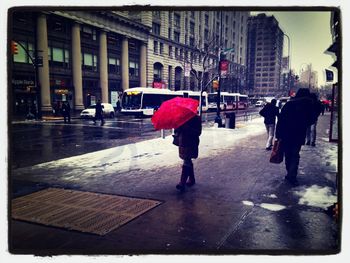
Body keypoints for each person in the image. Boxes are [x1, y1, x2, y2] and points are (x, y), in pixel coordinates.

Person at [275, 88, 314, 186]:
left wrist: (278, 134)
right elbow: (311, 120)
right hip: (299, 134)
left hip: (286, 134)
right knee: (295, 154)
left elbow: (281, 120)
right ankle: (292, 175)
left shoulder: (289, 104)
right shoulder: (308, 106)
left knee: (288, 154)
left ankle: (290, 173)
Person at [173, 115, 202, 191]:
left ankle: (182, 183)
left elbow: (198, 132)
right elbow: (176, 131)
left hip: (191, 142)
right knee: (187, 159)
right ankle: (192, 179)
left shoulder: (196, 118)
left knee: (187, 160)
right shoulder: (180, 118)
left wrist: (186, 128)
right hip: (182, 142)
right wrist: (178, 128)